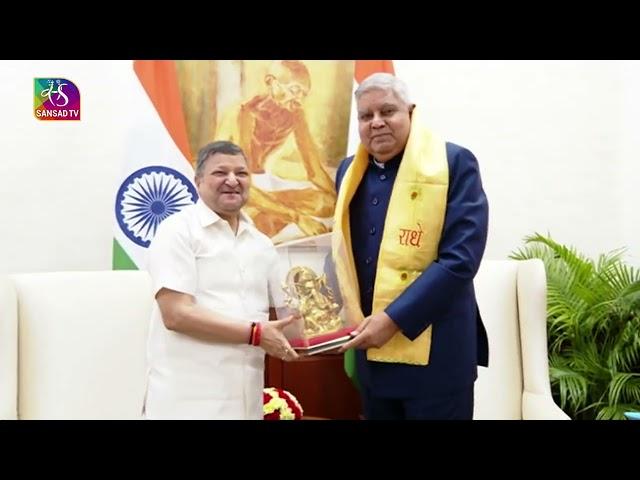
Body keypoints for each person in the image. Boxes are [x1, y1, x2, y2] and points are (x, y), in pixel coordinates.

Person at [334, 73, 489, 420]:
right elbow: (343, 253)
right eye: (365, 116)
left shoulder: (454, 164)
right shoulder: (348, 171)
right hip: (371, 357)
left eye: (387, 111)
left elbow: (460, 259)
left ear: (411, 112)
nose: (376, 123)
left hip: (439, 357)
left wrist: (392, 320)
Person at [143, 140, 299, 420]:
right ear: (198, 180)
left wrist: (339, 331)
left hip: (246, 402)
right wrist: (256, 334)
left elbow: (288, 319)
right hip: (187, 402)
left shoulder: (262, 244)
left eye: (241, 173)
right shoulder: (177, 231)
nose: (232, 180)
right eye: (220, 173)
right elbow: (176, 314)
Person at [216, 60, 336, 241]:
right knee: (254, 224)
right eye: (295, 90)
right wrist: (298, 217)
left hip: (262, 189)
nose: (299, 99)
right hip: (233, 186)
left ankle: (269, 211)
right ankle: (266, 215)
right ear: (271, 82)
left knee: (327, 202)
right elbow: (241, 184)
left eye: (304, 94)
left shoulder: (295, 114)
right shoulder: (246, 115)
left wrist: (343, 199)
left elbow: (315, 172)